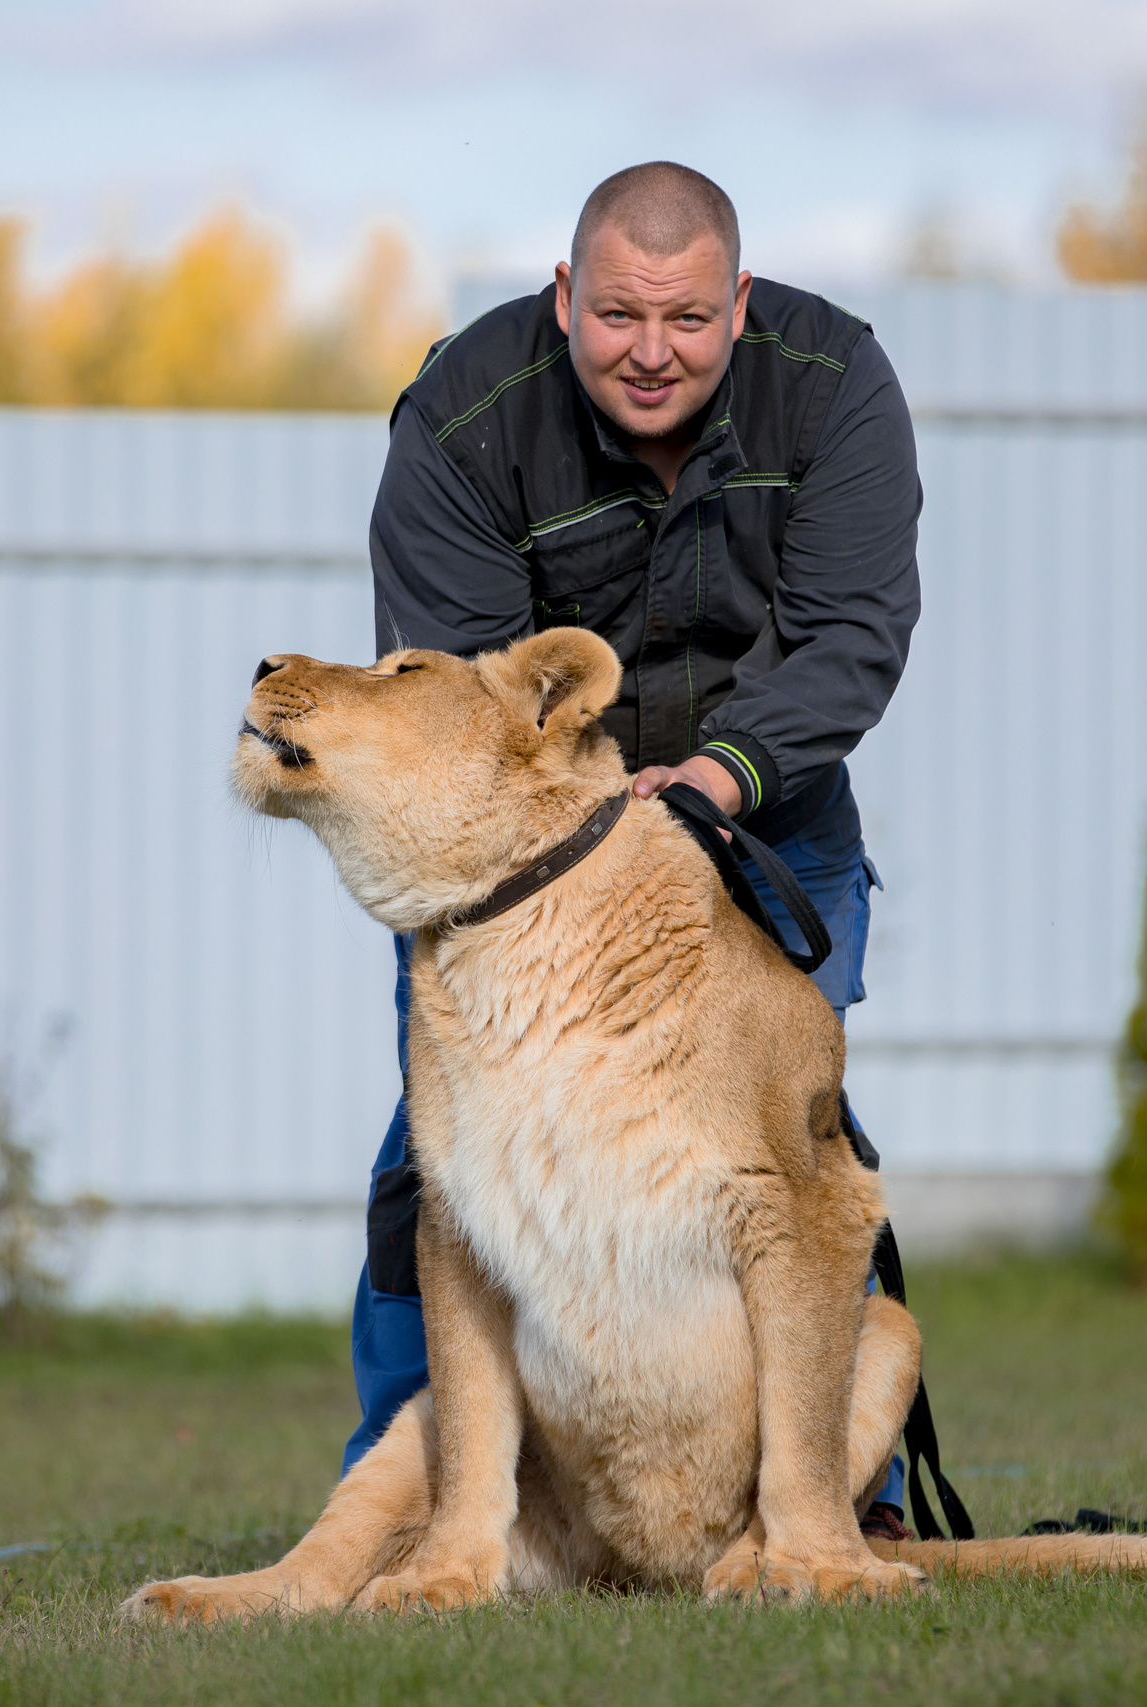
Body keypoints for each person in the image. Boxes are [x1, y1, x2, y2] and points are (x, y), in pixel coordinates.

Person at [350, 161, 924, 1536]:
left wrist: (719, 777)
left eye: (685, 320)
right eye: (618, 317)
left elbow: (854, 634)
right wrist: (608, 826)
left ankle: (852, 1501)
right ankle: (410, 1499)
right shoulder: (464, 416)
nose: (651, 352)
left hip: (772, 822)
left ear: (737, 302)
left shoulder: (837, 382)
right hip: (524, 867)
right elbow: (461, 711)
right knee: (441, 1186)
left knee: (789, 1172)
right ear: (564, 300)